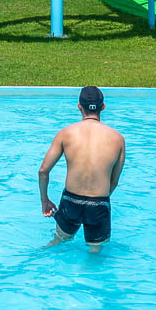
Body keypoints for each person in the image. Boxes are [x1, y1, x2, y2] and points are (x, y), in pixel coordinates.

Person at [38, 86, 125, 252]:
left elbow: (43, 171)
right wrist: (98, 203)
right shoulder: (118, 138)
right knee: (96, 250)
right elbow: (114, 181)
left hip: (71, 201)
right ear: (103, 107)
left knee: (58, 241)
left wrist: (45, 200)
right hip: (99, 202)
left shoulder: (66, 133)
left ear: (79, 106)